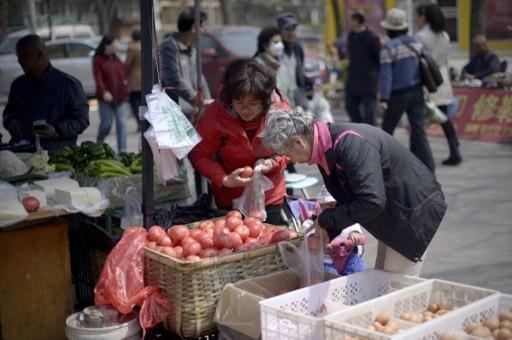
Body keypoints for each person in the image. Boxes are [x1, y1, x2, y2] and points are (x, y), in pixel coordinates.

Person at [260, 107, 447, 276]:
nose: (291, 160)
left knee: (395, 289)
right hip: (391, 214)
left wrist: (327, 220)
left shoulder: (349, 144)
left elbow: (371, 201)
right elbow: (350, 195)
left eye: (288, 154)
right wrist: (327, 229)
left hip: (411, 214)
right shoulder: (326, 148)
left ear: (298, 141)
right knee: (382, 280)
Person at [189, 59, 291, 225]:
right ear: (230, 99)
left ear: (265, 101)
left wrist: (273, 162)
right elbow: (199, 154)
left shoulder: (279, 112)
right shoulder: (216, 114)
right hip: (230, 197)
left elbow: (290, 147)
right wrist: (224, 179)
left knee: (269, 242)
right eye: (239, 103)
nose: (245, 110)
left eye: (253, 104)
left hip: (270, 193)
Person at [3, 34, 89, 151]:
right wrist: (10, 121)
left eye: (24, 57)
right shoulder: (18, 85)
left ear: (39, 55)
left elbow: (81, 120)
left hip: (56, 157)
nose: (20, 62)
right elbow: (8, 112)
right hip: (21, 155)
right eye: (19, 58)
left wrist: (56, 131)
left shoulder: (68, 85)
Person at [378, 8, 436, 173]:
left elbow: (386, 75)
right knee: (419, 132)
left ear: (389, 29)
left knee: (387, 131)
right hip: (417, 92)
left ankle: (383, 167)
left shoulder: (388, 47)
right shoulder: (415, 42)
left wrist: (384, 99)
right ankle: (429, 169)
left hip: (397, 95)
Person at [416, 4, 462, 166]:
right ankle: (455, 150)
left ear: (424, 17)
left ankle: (421, 157)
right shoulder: (445, 35)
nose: (417, 19)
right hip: (442, 79)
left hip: (428, 81)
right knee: (444, 119)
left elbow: (419, 62)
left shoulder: (421, 36)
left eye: (419, 16)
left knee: (419, 122)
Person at [160, 7, 212, 120]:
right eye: (203, 26)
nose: (204, 30)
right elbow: (173, 80)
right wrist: (196, 99)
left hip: (194, 114)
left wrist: (208, 104)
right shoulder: (169, 46)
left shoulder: (193, 51)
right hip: (175, 117)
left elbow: (200, 79)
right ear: (194, 28)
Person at [93, 35, 130, 152]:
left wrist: (126, 86)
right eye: (114, 45)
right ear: (107, 46)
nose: (116, 47)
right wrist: (104, 92)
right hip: (105, 99)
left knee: (122, 125)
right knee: (106, 125)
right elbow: (98, 79)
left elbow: (123, 74)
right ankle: (98, 145)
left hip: (120, 98)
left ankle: (122, 151)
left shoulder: (117, 59)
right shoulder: (98, 60)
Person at [345, 11, 380, 126]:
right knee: (350, 106)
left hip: (368, 80)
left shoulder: (372, 37)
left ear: (357, 20)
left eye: (352, 19)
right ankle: (359, 128)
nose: (350, 22)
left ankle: (371, 134)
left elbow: (379, 57)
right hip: (353, 78)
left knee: (370, 113)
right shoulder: (351, 36)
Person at [276, 12, 313, 108]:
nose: (291, 33)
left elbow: (299, 72)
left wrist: (309, 84)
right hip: (280, 94)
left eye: (293, 29)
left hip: (297, 92)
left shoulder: (297, 48)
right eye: (287, 29)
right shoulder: (275, 49)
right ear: (280, 31)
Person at [253, 26, 287, 93]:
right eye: (276, 42)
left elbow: (287, 94)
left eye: (281, 42)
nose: (280, 45)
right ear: (265, 45)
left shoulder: (282, 67)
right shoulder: (256, 66)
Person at [125, 29, 142, 131]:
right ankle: (143, 121)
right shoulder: (147, 46)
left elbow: (127, 64)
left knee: (134, 102)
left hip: (134, 78)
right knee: (142, 102)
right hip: (145, 78)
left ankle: (139, 122)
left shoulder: (132, 48)